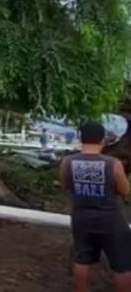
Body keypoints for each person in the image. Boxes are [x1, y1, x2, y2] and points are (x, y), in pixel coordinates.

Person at [60, 122, 131, 292]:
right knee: (122, 265)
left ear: (81, 138)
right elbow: (125, 190)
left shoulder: (67, 161)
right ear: (102, 139)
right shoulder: (113, 163)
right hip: (111, 220)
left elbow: (66, 185)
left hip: (81, 218)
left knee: (82, 261)